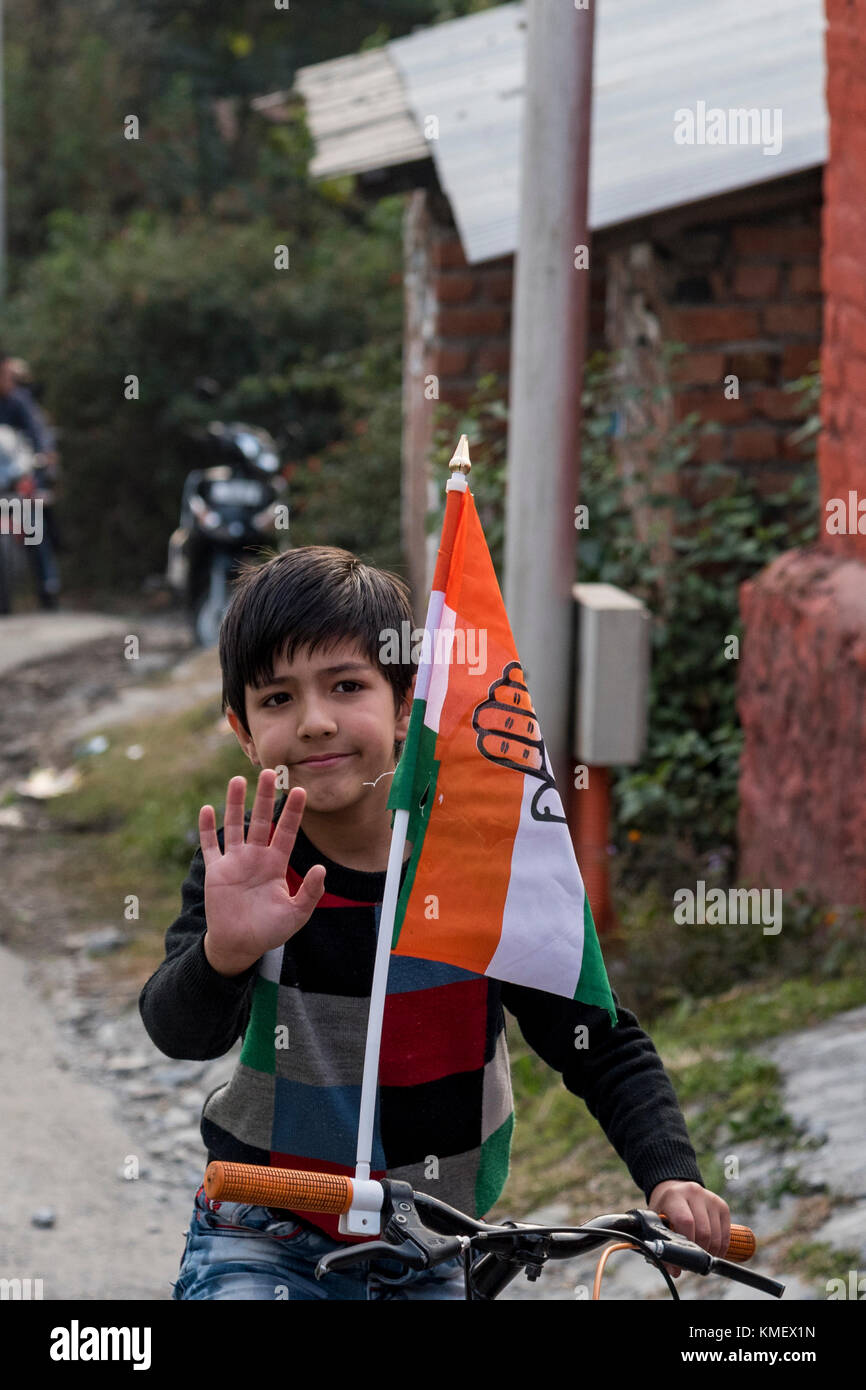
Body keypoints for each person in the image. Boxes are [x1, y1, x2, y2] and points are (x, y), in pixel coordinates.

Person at [138, 545, 730, 1301]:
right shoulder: (246, 862)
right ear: (244, 729)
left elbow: (598, 1040)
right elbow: (178, 1032)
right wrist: (226, 952)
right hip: (264, 1230)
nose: (316, 722)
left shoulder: (485, 865)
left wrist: (671, 1172)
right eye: (278, 699)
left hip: (434, 1236)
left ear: (407, 700)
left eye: (346, 685)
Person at [0, 351, 61, 609]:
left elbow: (39, 433)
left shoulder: (20, 402)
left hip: (18, 476)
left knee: (34, 525)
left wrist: (45, 457)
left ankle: (48, 585)